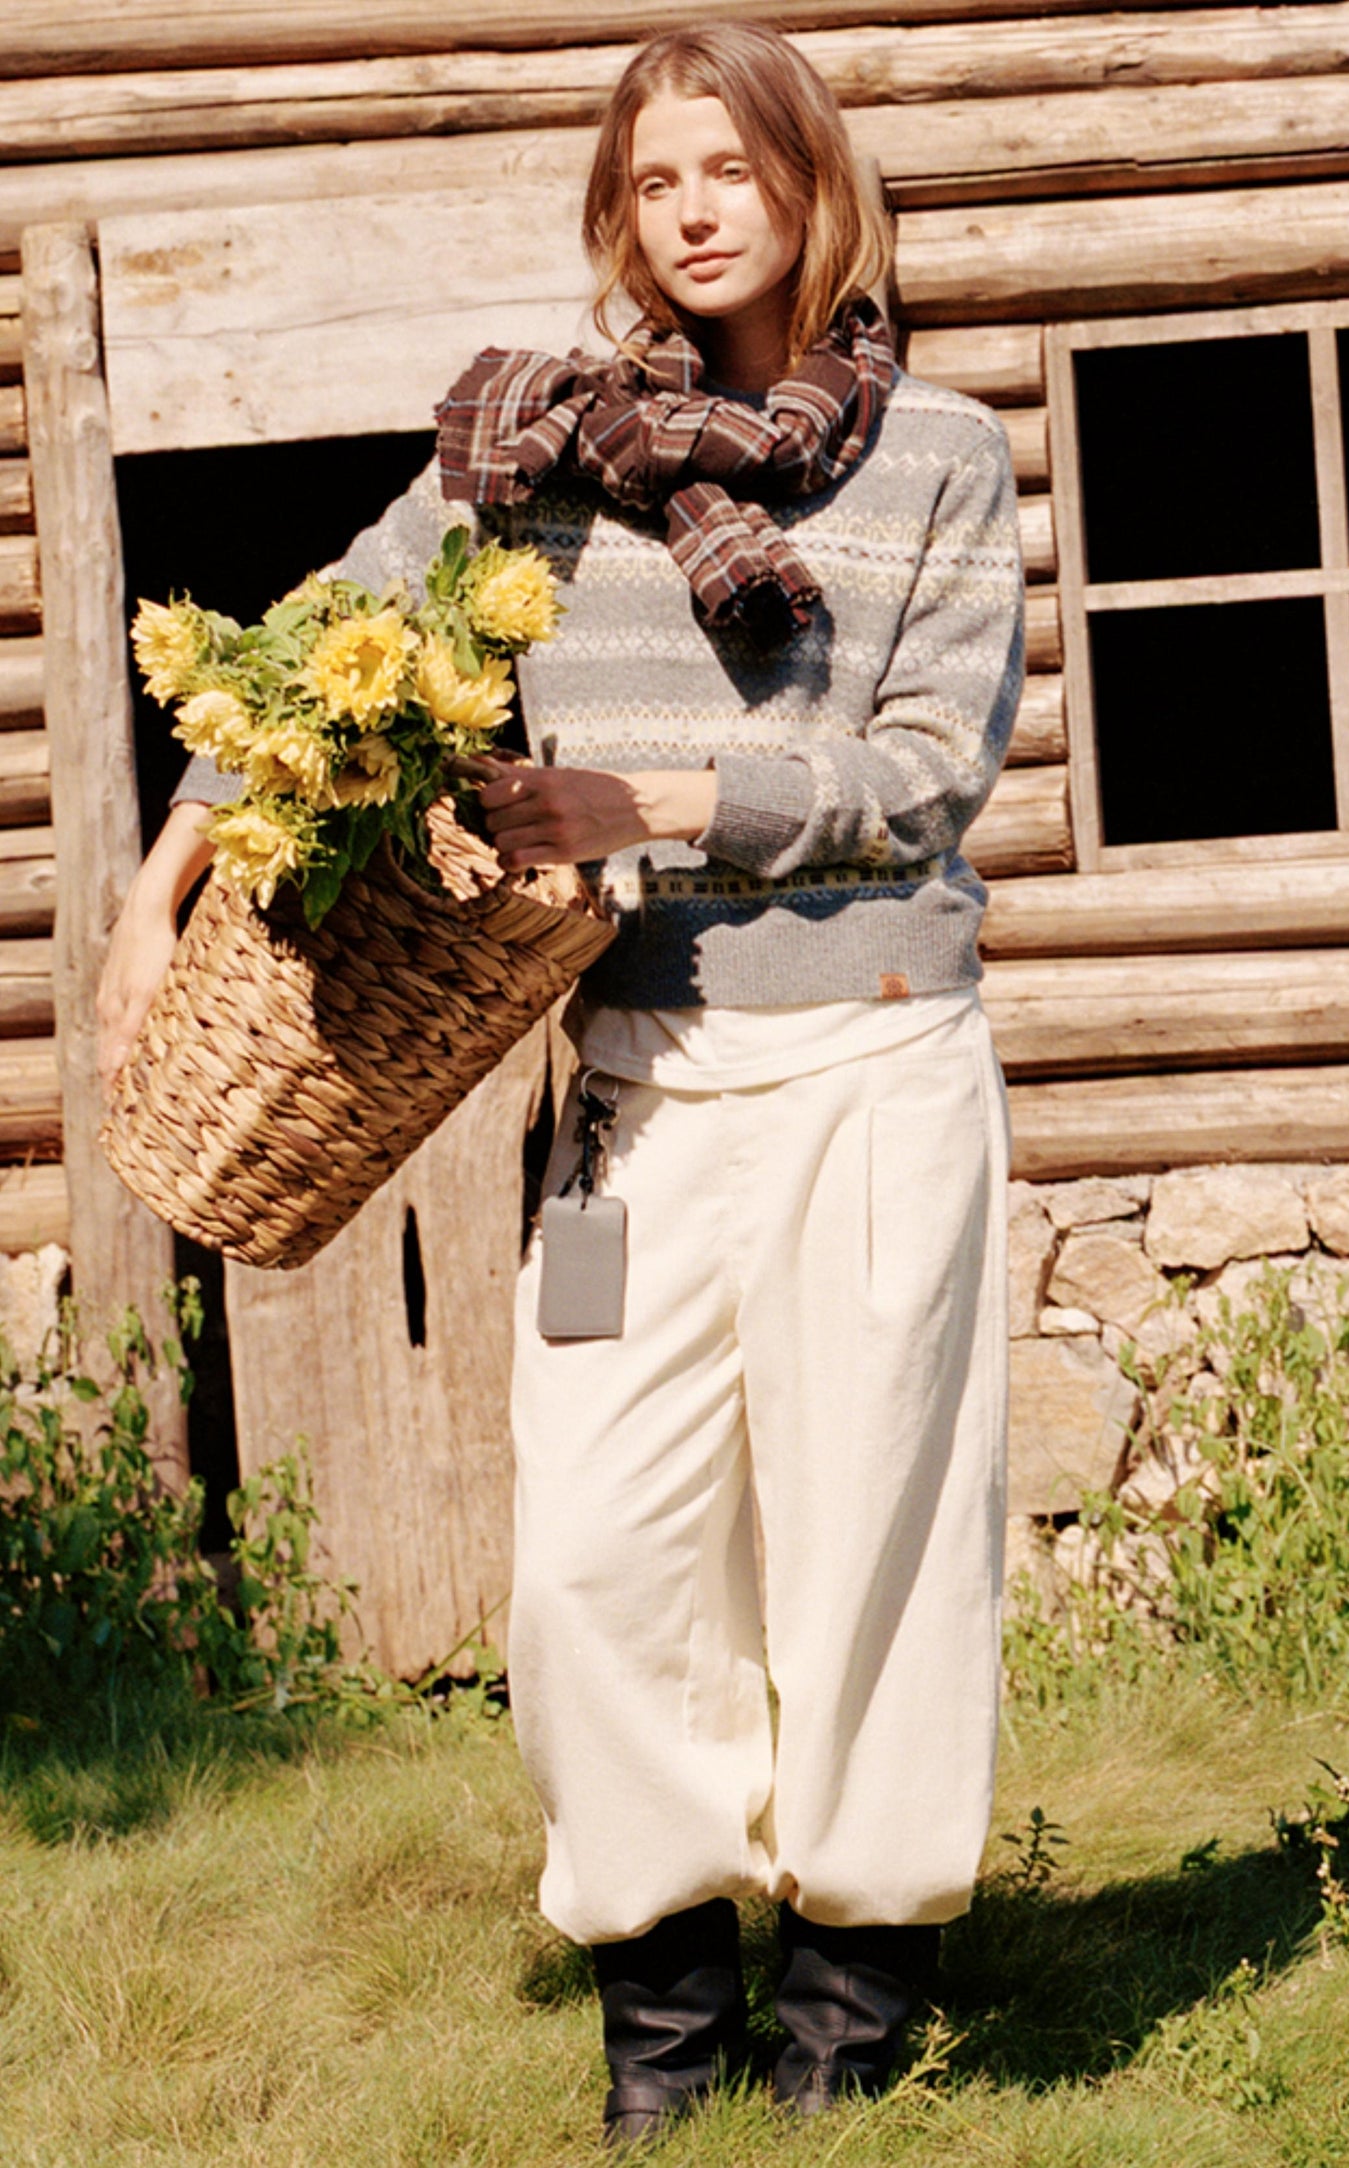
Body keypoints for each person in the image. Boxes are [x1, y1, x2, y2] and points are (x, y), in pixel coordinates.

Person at [99, 22, 1023, 2150]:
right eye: (654, 177)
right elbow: (319, 632)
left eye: (732, 167)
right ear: (619, 210)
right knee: (597, 1553)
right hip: (633, 1078)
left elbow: (923, 772)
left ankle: (854, 2009)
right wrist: (162, 884)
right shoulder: (541, 445)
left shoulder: (942, 455)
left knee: (870, 1535)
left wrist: (647, 795)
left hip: (872, 1056)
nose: (694, 209)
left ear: (814, 184)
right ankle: (664, 2018)